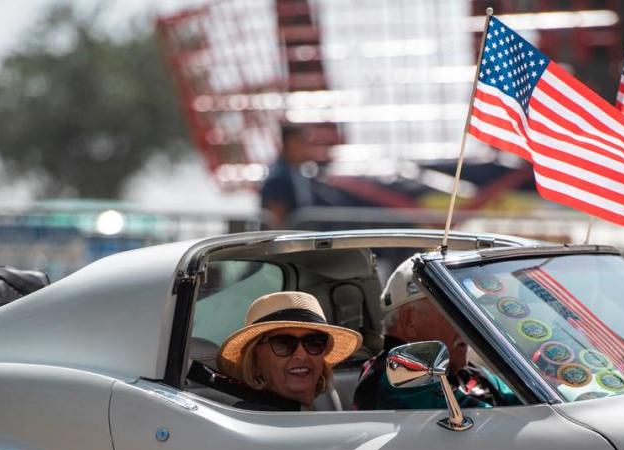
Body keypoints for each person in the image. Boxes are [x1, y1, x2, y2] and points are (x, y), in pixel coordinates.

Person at [352, 257, 519, 411]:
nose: (469, 323)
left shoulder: (468, 372)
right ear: (410, 320)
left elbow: (533, 406)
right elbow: (493, 425)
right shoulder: (396, 372)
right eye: (455, 311)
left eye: (471, 312)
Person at [217, 291, 362, 411]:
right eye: (283, 343)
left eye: (314, 342)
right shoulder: (249, 423)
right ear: (255, 360)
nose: (302, 354)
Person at [260, 123, 319, 229]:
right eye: (300, 142)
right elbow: (277, 220)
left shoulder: (299, 172)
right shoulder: (278, 177)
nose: (304, 148)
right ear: (288, 143)